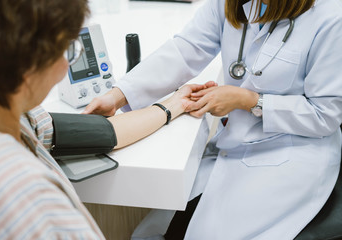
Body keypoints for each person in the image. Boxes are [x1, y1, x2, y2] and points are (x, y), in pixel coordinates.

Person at [84, 0, 342, 239]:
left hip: (293, 151)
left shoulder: (331, 17)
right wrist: (118, 95)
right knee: (150, 232)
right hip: (234, 143)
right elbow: (186, 50)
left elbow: (325, 114)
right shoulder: (228, 3)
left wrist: (249, 100)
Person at [0, 0, 208, 239]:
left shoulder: (19, 119)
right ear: (28, 62)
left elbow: (105, 130)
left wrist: (173, 105)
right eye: (68, 50)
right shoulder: (29, 197)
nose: (65, 66)